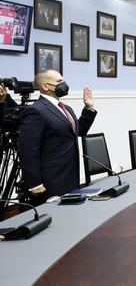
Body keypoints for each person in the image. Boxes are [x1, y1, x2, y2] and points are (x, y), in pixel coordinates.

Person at [18, 70, 97, 202]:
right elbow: (28, 151)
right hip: (51, 180)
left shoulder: (66, 108)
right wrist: (34, 183)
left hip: (70, 175)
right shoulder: (35, 110)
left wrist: (88, 108)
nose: (63, 84)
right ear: (45, 86)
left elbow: (79, 131)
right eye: (59, 81)